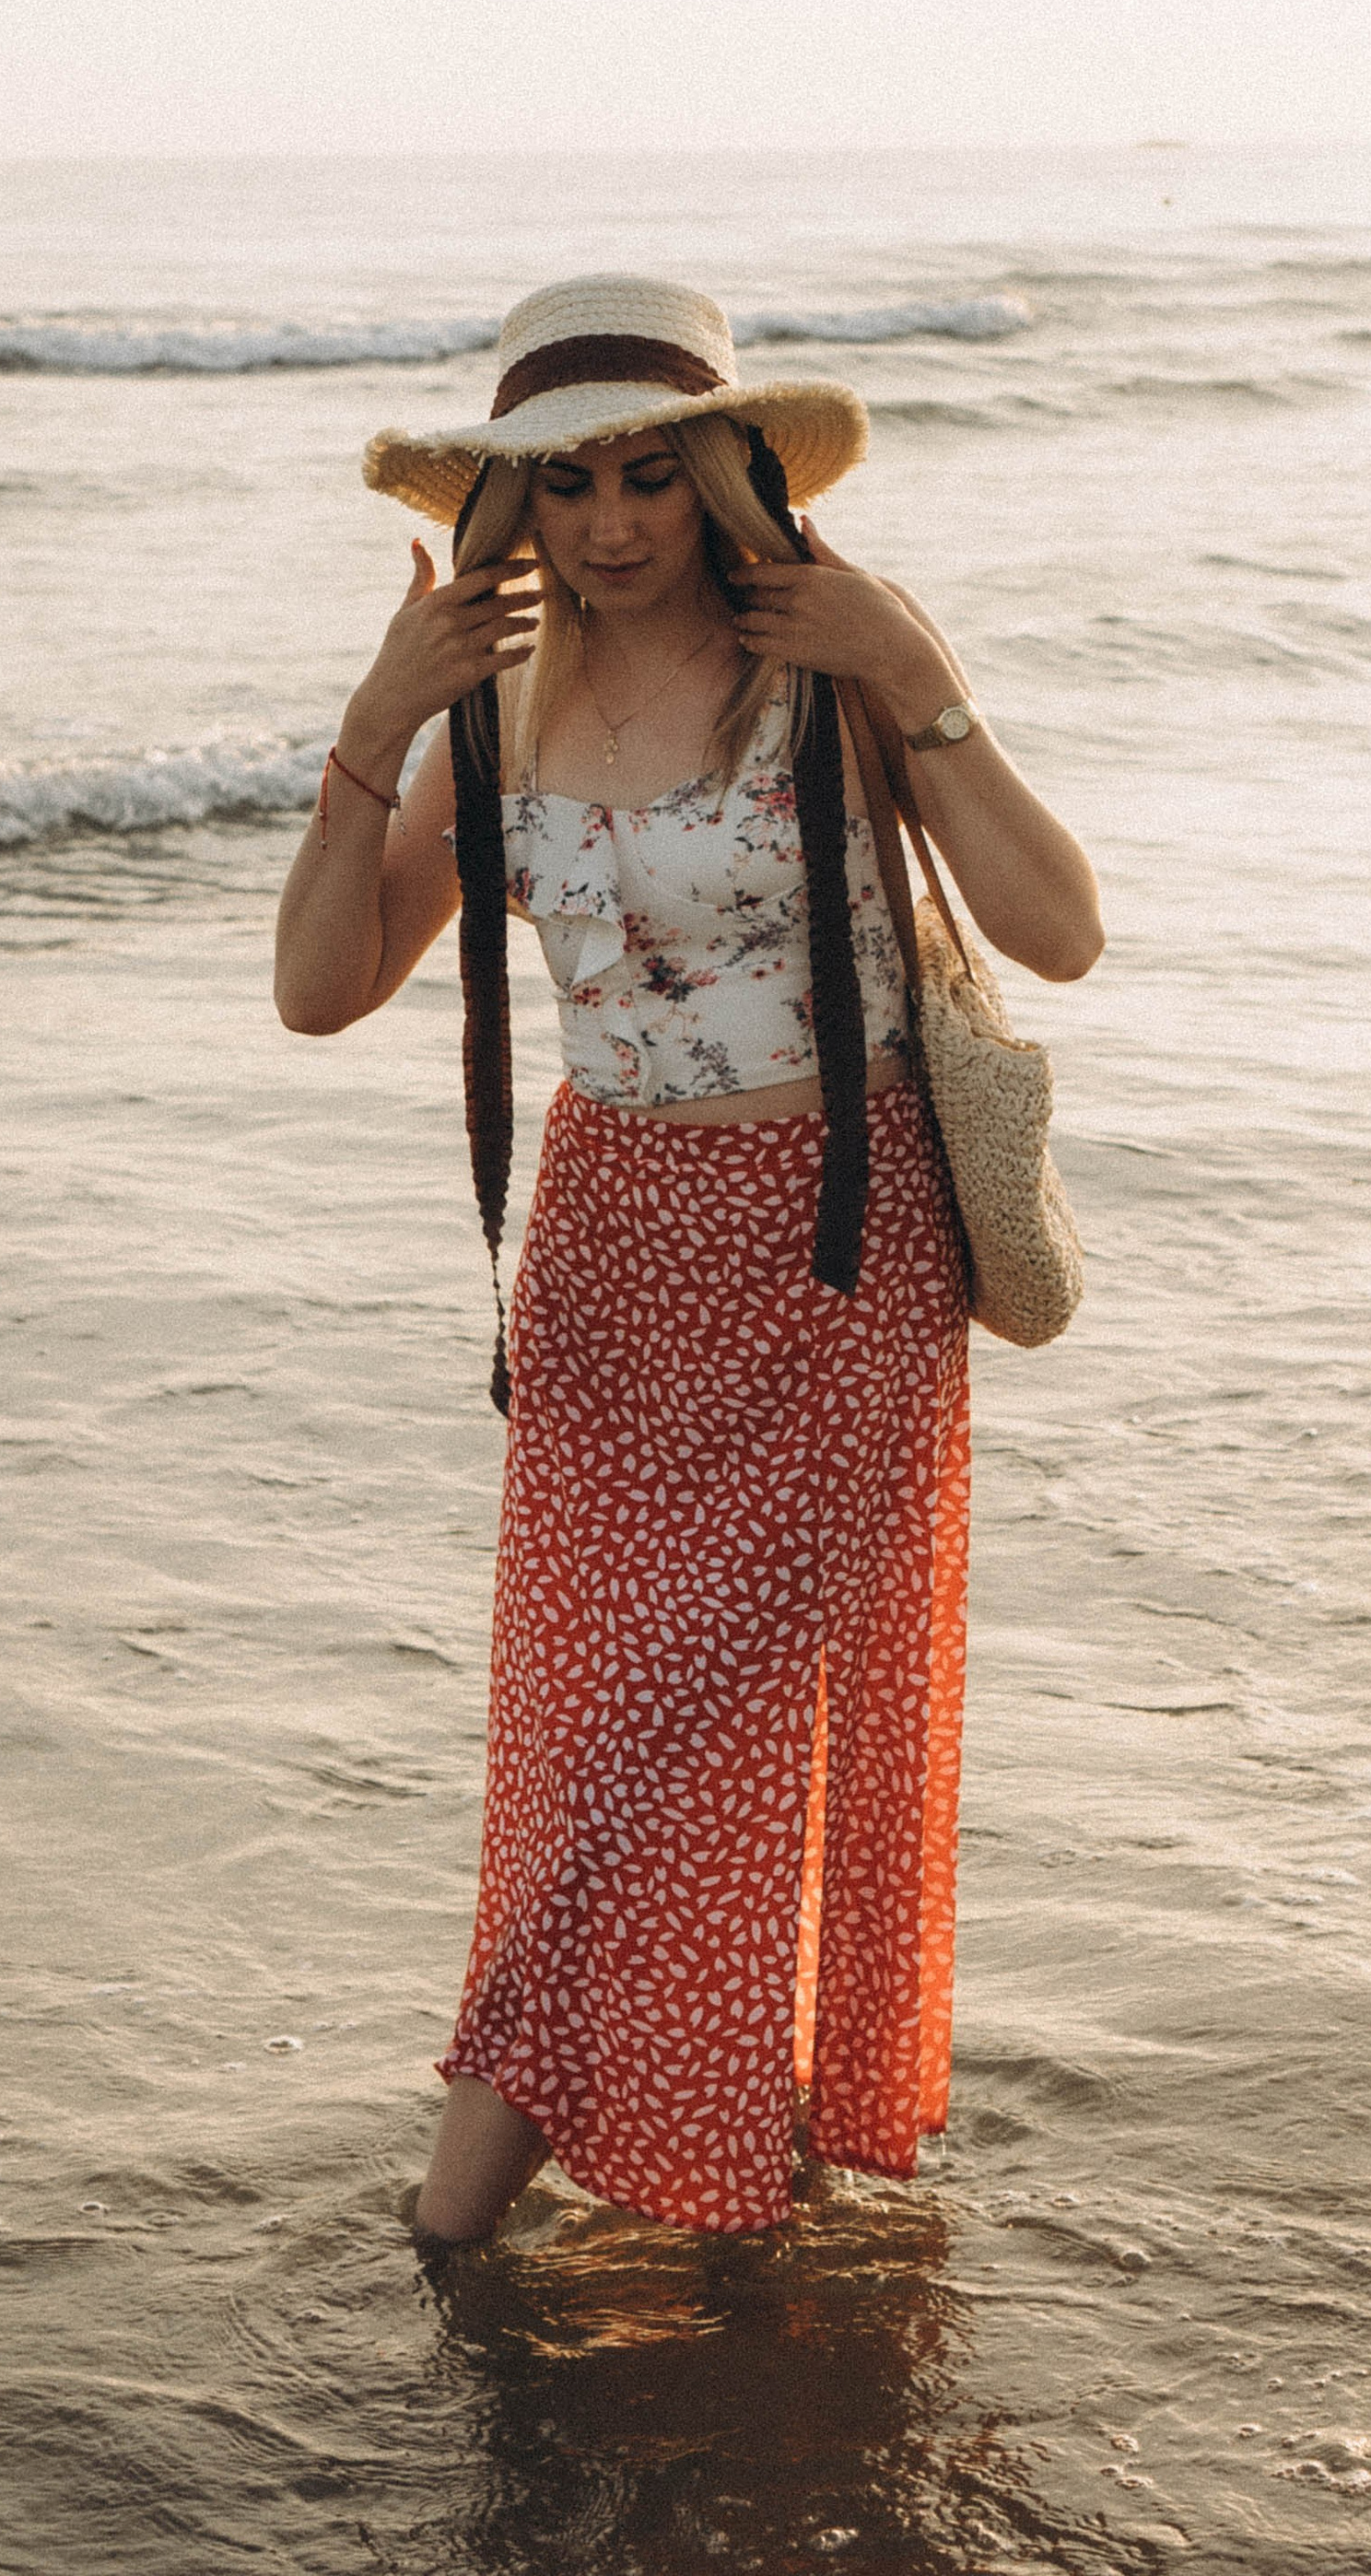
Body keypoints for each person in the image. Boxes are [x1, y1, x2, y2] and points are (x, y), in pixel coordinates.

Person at [273, 275, 1103, 2248]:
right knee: (605, 1747)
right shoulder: (485, 718)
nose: (615, 523)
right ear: (509, 515)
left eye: (652, 474)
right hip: (608, 1270)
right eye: (567, 491)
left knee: (673, 1741)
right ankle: (730, 2162)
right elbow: (318, 991)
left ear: (726, 474)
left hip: (841, 1252)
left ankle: (451, 2224)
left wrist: (922, 672)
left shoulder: (826, 672)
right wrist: (373, 725)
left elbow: (1057, 930)